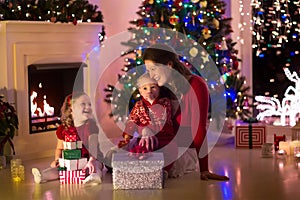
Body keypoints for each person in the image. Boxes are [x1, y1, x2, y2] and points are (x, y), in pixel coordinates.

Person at [142, 43, 229, 181]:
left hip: (183, 150)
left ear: (169, 65)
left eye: (153, 69)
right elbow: (147, 117)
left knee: (150, 164)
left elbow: (198, 128)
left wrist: (204, 169)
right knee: (130, 153)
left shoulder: (196, 85)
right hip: (163, 144)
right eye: (148, 71)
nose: (151, 75)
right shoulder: (159, 89)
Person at [105, 73, 177, 174]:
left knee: (171, 149)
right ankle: (142, 167)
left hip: (163, 137)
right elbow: (132, 120)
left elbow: (162, 116)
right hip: (144, 138)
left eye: (153, 87)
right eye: (145, 88)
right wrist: (128, 135)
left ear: (159, 88)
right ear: (140, 91)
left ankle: (163, 170)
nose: (149, 91)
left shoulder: (165, 102)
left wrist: (153, 103)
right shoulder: (138, 105)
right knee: (141, 149)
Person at [32, 92, 103, 184]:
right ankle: (43, 175)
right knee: (58, 169)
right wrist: (57, 160)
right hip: (70, 161)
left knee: (96, 166)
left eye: (89, 104)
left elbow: (93, 147)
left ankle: (94, 176)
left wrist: (91, 160)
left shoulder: (90, 126)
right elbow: (59, 148)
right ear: (71, 109)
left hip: (91, 158)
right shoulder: (63, 129)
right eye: (83, 104)